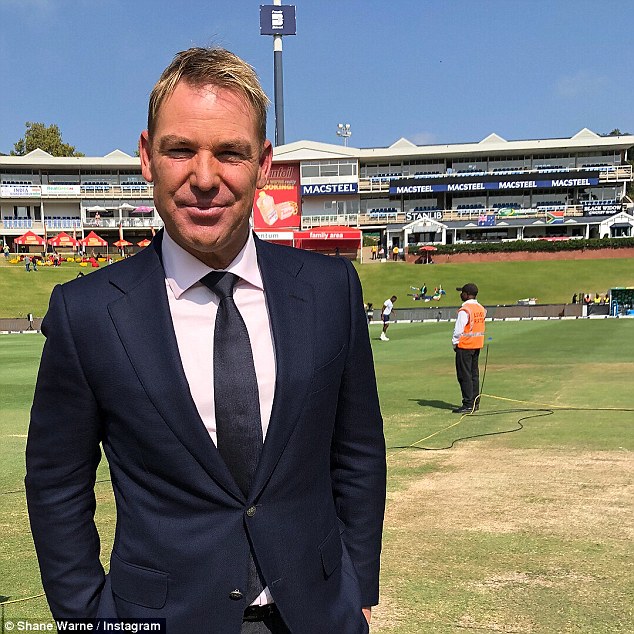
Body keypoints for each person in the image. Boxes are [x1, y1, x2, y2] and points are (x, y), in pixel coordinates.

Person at [26, 46, 386, 634]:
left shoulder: (330, 291)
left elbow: (359, 453)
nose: (203, 177)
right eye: (180, 150)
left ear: (264, 164)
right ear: (147, 157)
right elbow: (56, 484)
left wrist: (357, 583)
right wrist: (88, 620)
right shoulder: (86, 311)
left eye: (229, 153)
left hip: (318, 615)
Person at [452, 283, 486, 414]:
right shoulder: (480, 308)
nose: (461, 295)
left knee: (464, 375)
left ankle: (467, 403)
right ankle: (475, 402)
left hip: (465, 345)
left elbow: (458, 330)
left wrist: (455, 343)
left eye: (462, 293)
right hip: (476, 345)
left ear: (466, 294)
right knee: (474, 375)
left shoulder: (465, 310)